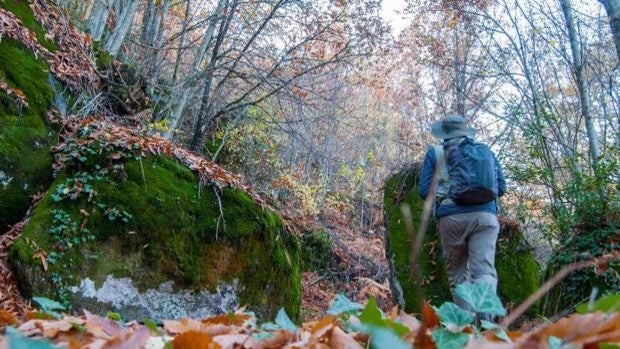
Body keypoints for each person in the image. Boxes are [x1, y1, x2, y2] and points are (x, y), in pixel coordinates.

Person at [418, 114, 506, 319]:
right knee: (484, 271)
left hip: (451, 219)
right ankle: (486, 323)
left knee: (458, 275)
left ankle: (466, 328)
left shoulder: (436, 152)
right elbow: (500, 188)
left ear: (445, 133)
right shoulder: (486, 152)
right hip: (486, 217)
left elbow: (424, 192)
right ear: (466, 131)